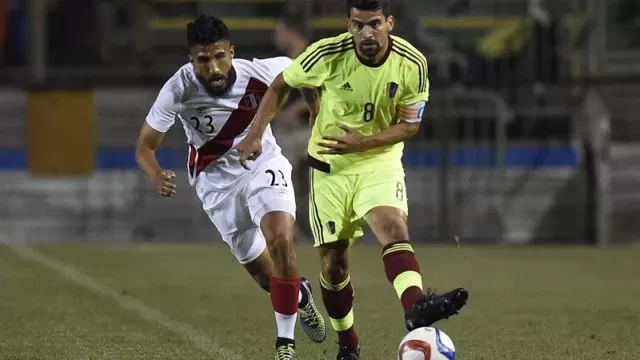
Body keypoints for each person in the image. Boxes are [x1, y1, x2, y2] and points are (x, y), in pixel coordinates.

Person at [236, 1, 469, 359]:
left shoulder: (413, 64)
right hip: (330, 170)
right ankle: (348, 343)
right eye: (358, 25)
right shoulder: (326, 54)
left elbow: (410, 123)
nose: (366, 34)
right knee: (333, 267)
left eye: (374, 24)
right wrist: (255, 133)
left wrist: (366, 142)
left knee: (393, 227)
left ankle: (415, 307)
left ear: (389, 22)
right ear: (348, 25)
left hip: (379, 161)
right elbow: (283, 83)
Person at [134, 15, 326, 360]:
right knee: (271, 281)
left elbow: (309, 72)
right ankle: (300, 296)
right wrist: (155, 174)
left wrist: (316, 113)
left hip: (261, 164)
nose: (214, 67)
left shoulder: (263, 71)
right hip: (216, 185)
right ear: (192, 61)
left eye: (220, 56)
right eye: (203, 60)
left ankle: (285, 345)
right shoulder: (178, 88)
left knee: (281, 239)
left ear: (231, 51)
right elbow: (145, 145)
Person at [271, 10, 314, 237]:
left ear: (291, 32)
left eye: (279, 31)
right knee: (289, 185)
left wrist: (292, 112)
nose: (275, 36)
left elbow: (324, 94)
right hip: (289, 131)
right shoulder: (283, 62)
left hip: (310, 131)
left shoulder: (310, 57)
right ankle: (292, 230)